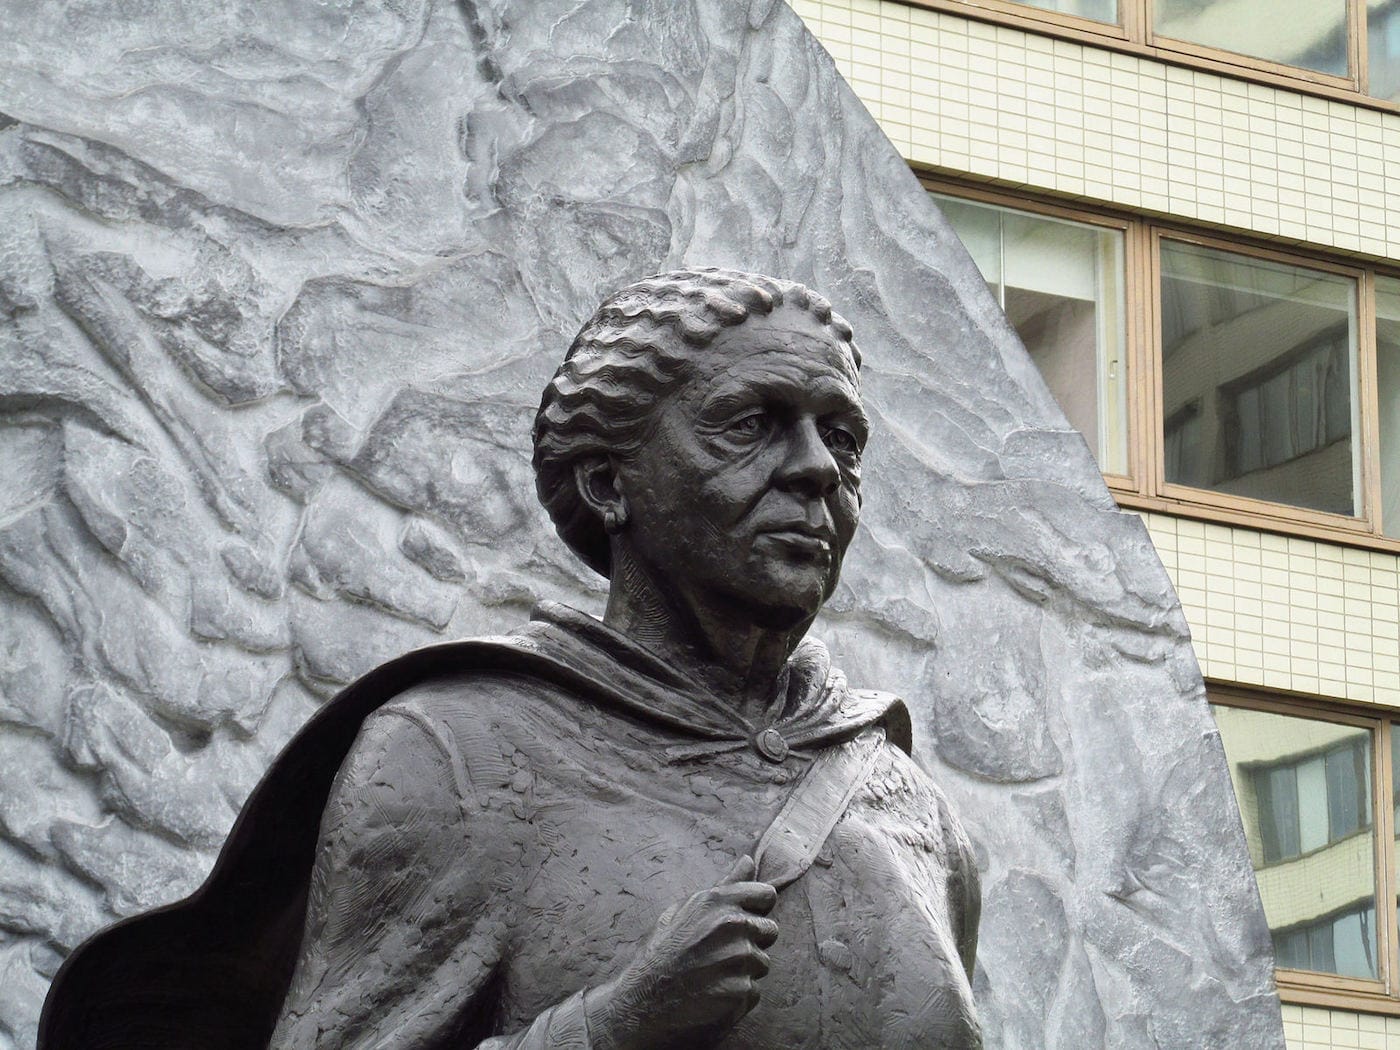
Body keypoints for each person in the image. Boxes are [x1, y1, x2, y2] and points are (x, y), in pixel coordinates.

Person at [37, 269, 981, 1050]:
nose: (818, 468)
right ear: (610, 483)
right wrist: (612, 1026)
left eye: (843, 438)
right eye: (750, 424)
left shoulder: (906, 804)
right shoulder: (455, 754)